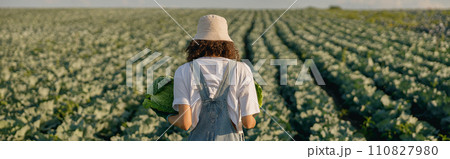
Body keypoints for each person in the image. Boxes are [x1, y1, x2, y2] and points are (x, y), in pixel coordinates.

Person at [167, 14, 260, 141]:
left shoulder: (184, 70)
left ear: (196, 43)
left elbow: (185, 123)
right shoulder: (242, 69)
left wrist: (168, 117)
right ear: (227, 44)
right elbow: (248, 123)